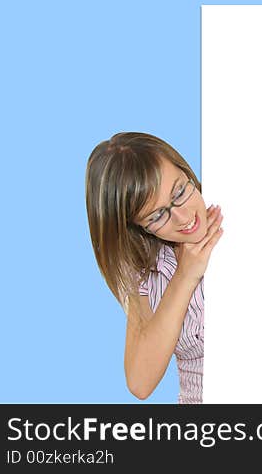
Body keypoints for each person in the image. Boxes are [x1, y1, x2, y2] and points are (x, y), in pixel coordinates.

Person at [85, 132, 223, 403]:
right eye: (158, 215)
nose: (184, 218)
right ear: (137, 226)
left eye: (180, 191)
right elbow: (140, 383)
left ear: (185, 169)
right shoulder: (144, 270)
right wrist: (185, 275)